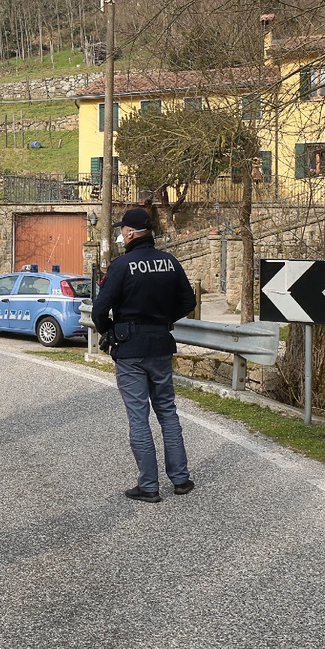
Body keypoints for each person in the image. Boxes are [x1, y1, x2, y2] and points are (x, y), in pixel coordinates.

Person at [92, 207, 196, 503]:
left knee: (139, 417)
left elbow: (100, 310)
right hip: (161, 345)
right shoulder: (169, 261)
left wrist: (110, 330)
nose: (120, 235)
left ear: (130, 233)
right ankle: (181, 479)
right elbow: (188, 300)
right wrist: (164, 321)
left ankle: (149, 485)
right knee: (167, 411)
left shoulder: (122, 265)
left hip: (131, 349)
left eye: (122, 230)